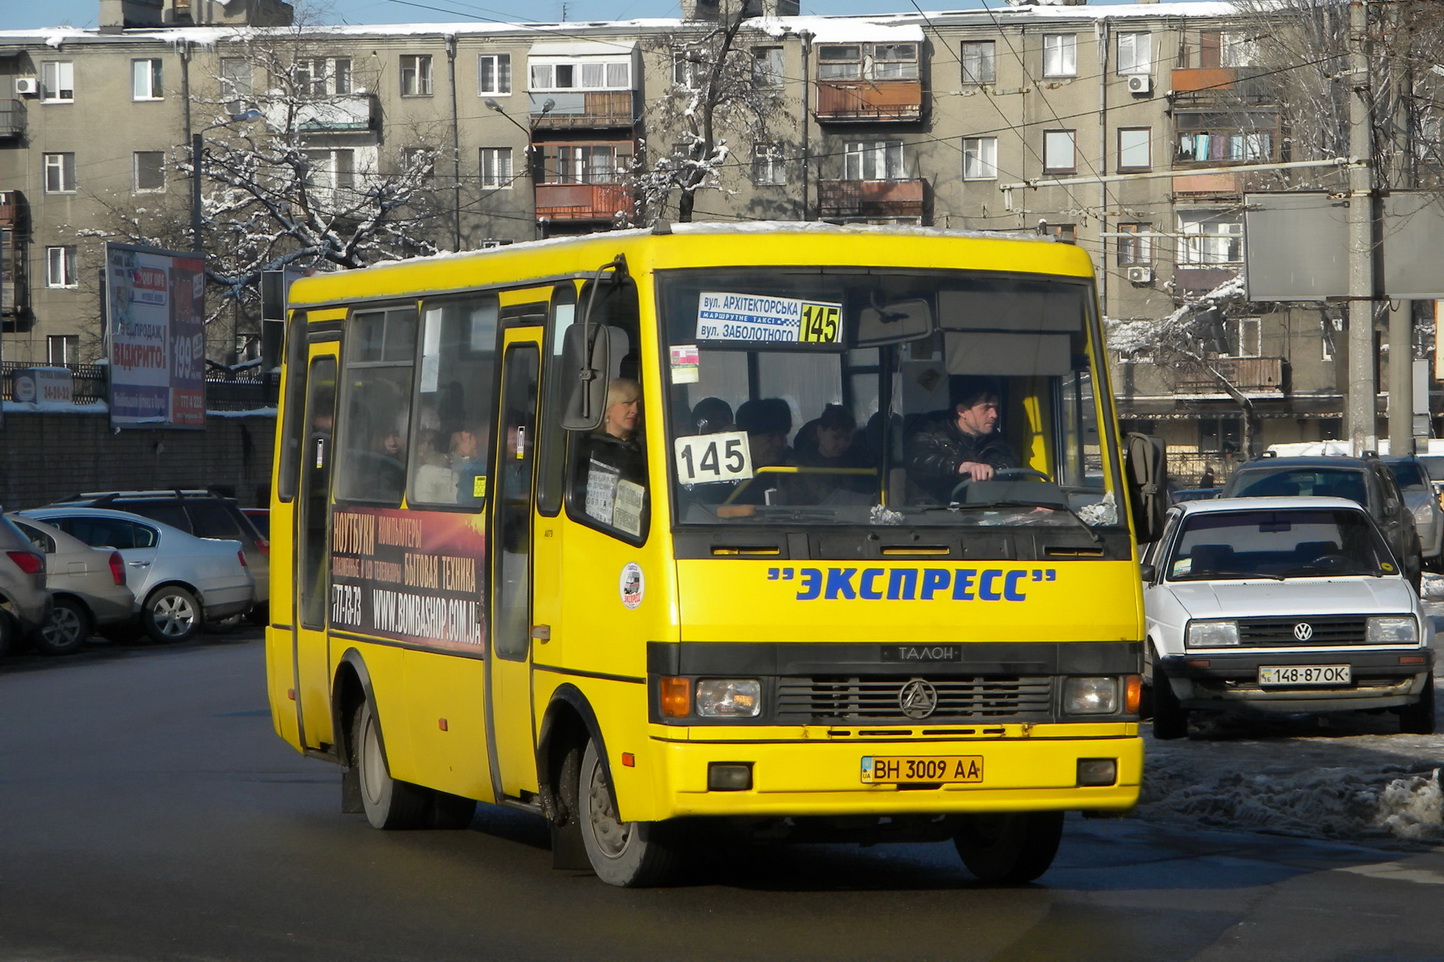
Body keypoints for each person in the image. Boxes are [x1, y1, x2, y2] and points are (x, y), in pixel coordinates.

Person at [904, 375, 1019, 503]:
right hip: (930, 515)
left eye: (995, 408)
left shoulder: (997, 442)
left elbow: (1010, 469)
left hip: (979, 516)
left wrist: (991, 471)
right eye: (986, 408)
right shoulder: (929, 431)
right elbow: (919, 460)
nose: (994, 415)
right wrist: (960, 466)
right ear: (962, 411)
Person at [580, 378, 647, 534]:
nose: (635, 410)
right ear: (609, 407)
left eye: (639, 404)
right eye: (627, 403)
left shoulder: (647, 449)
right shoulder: (586, 450)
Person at [413, 428, 457, 503]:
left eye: (433, 443)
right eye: (421, 443)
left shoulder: (447, 467)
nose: (430, 447)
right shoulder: (425, 472)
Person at [451, 421, 488, 506]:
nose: (475, 442)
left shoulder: (480, 466)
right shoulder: (468, 470)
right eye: (469, 438)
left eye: (474, 437)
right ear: (456, 440)